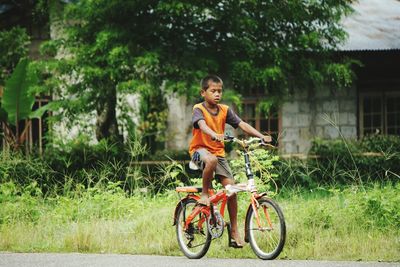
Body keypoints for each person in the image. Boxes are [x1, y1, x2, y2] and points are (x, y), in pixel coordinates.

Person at [189, 74, 271, 248]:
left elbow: (242, 124)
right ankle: (204, 194)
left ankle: (234, 231)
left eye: (220, 91)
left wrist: (261, 135)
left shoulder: (225, 110)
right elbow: (202, 125)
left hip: (218, 154)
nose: (217, 94)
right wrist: (213, 134)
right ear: (203, 92)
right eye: (213, 91)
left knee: (231, 189)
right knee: (210, 160)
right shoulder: (198, 109)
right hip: (199, 152)